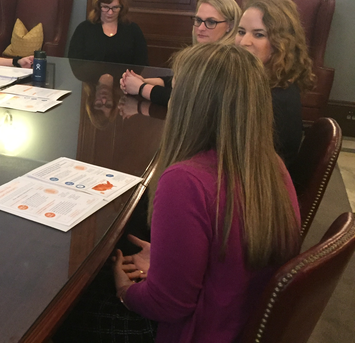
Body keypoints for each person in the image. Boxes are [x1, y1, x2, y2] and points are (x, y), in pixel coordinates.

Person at [55, 43, 301, 343]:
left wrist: (124, 291)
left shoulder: (185, 181)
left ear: (190, 105)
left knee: (70, 309)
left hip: (191, 331)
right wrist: (164, 261)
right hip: (236, 320)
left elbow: (167, 305)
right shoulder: (271, 165)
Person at [235, 0, 314, 185]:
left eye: (258, 34)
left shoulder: (276, 99)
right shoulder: (263, 82)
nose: (244, 42)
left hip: (259, 193)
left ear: (282, 43)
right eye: (241, 31)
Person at [120, 0, 241, 105]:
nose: (201, 28)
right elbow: (180, 81)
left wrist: (140, 88)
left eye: (211, 22)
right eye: (198, 20)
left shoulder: (227, 61)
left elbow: (186, 100)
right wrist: (144, 81)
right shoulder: (202, 54)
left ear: (230, 25)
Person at [68, 0, 148, 65]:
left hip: (125, 78)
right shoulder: (83, 29)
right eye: (106, 7)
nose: (110, 12)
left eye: (115, 7)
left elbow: (142, 63)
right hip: (90, 78)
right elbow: (75, 63)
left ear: (122, 7)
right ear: (98, 5)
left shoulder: (133, 30)